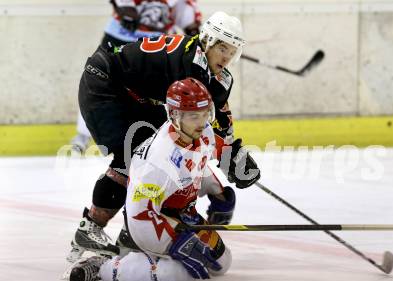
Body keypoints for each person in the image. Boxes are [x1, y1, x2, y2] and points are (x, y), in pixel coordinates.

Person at [66, 11, 261, 264]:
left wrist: (234, 153)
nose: (227, 56)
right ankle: (91, 228)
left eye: (233, 51)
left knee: (155, 150)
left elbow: (217, 118)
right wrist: (228, 157)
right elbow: (197, 121)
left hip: (133, 93)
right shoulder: (190, 63)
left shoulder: (213, 73)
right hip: (104, 84)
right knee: (136, 156)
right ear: (208, 40)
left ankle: (131, 231)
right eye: (223, 48)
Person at [69, 78, 238, 281]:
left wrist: (218, 192)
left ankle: (140, 255)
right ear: (175, 115)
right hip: (153, 221)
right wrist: (174, 243)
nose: (202, 122)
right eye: (194, 116)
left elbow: (196, 165)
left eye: (205, 114)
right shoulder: (158, 160)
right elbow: (139, 215)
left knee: (222, 263)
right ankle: (106, 266)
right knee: (179, 276)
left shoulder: (200, 132)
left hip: (183, 215)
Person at [70, 0, 202, 153]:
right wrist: (123, 5)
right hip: (120, 36)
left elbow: (187, 19)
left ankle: (162, 136)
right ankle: (83, 135)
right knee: (97, 78)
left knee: (160, 89)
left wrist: (201, 39)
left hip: (155, 43)